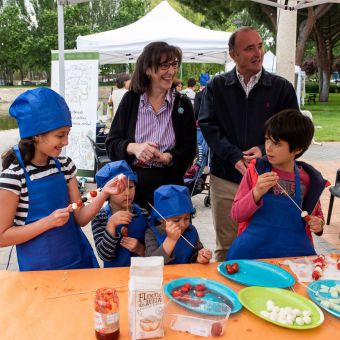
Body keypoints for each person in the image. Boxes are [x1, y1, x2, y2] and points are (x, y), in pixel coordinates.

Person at [198, 26, 299, 261]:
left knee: (266, 246)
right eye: (249, 48)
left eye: (260, 46)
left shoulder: (281, 88)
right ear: (233, 54)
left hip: (268, 178)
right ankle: (228, 297)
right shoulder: (217, 86)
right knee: (226, 247)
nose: (258, 53)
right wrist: (233, 155)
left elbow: (293, 131)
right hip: (225, 179)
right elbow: (208, 126)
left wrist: (263, 151)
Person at [0, 88, 127, 271]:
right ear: (36, 134)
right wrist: (48, 222)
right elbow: (3, 237)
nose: (66, 142)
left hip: (78, 261)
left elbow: (80, 217)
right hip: (38, 272)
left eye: (67, 133)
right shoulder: (13, 177)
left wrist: (105, 192)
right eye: (60, 135)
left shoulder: (65, 166)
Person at [105, 41, 196, 210]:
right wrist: (134, 147)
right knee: (134, 236)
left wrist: (167, 157)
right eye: (164, 66)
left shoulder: (182, 104)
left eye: (174, 64)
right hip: (133, 191)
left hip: (170, 190)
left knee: (172, 236)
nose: (171, 71)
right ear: (147, 69)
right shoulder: (131, 100)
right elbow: (111, 144)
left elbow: (190, 151)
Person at [227, 109, 327, 260]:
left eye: (277, 143)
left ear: (298, 149)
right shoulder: (255, 171)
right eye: (267, 140)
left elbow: (316, 217)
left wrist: (318, 225)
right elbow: (236, 214)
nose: (268, 148)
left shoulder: (308, 180)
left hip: (293, 258)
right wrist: (256, 191)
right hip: (252, 255)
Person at [91, 160, 149, 267]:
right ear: (108, 192)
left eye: (131, 187)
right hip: (113, 277)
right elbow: (104, 255)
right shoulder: (100, 217)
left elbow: (153, 250)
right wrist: (111, 225)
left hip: (140, 273)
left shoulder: (143, 213)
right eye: (120, 188)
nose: (127, 193)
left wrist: (140, 249)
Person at [145, 184, 212, 264]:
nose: (183, 224)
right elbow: (152, 263)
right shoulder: (151, 234)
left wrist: (200, 257)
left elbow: (195, 254)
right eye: (176, 220)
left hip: (187, 275)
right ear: (161, 219)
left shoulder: (191, 231)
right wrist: (171, 239)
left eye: (187, 218)